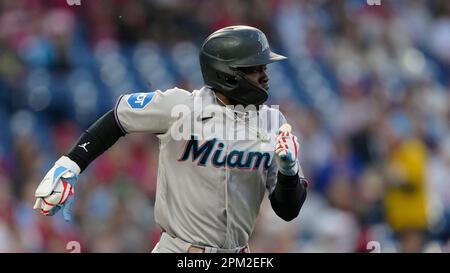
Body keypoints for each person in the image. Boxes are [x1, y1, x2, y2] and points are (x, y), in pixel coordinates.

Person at [33, 25, 308, 253]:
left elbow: (288, 210)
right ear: (227, 73)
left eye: (263, 68)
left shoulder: (274, 124)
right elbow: (118, 117)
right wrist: (71, 163)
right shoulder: (180, 107)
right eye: (254, 68)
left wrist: (288, 171)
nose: (265, 76)